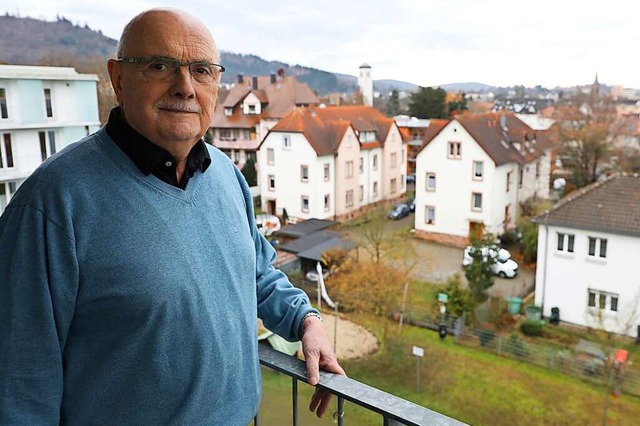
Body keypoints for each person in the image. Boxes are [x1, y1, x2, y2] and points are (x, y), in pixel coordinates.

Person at [0, 8, 344, 425]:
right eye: (160, 66)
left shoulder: (227, 177)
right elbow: (20, 384)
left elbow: (255, 274)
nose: (185, 87)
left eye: (201, 70)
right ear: (119, 79)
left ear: (216, 84)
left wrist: (306, 320)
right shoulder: (52, 204)